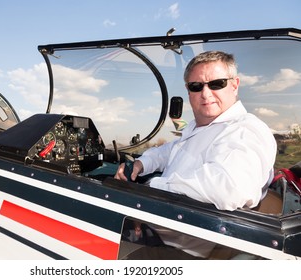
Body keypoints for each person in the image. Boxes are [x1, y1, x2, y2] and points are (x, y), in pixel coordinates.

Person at [115, 50, 277, 259]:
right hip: (160, 229)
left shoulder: (244, 130)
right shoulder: (201, 128)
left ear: (235, 85)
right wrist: (141, 164)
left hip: (179, 250)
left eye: (216, 83)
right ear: (188, 90)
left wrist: (150, 188)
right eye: (196, 86)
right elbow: (170, 151)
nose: (206, 93)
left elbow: (228, 188)